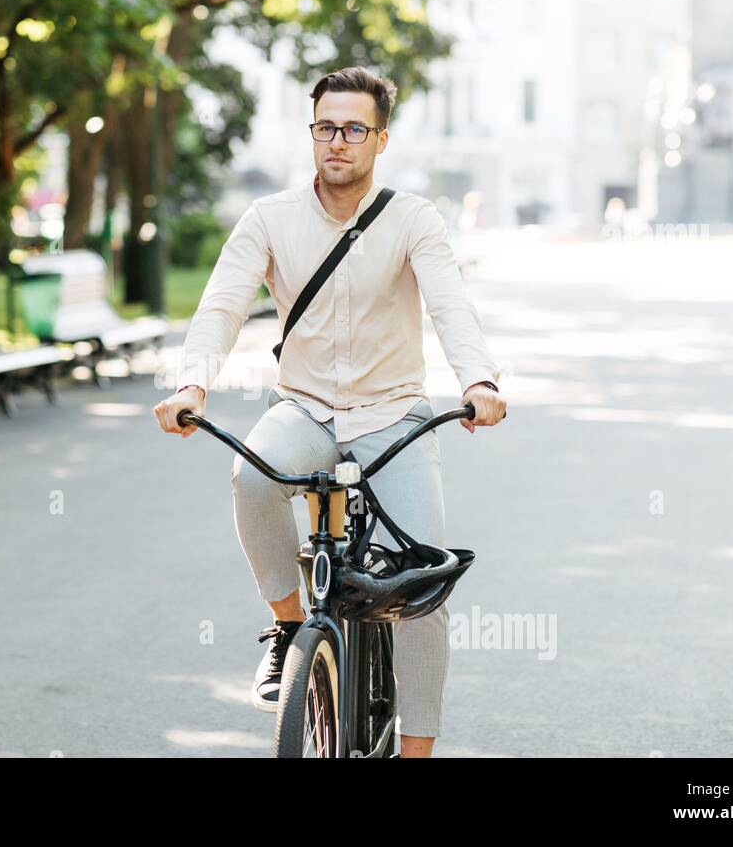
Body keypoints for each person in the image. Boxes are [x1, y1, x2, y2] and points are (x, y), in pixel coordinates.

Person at [152, 66, 507, 758]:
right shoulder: (269, 218)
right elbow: (221, 304)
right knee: (251, 479)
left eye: (353, 129)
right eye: (325, 127)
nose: (336, 141)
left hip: (394, 417)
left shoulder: (413, 219)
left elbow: (450, 305)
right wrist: (192, 384)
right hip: (306, 408)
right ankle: (289, 629)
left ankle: (416, 753)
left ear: (380, 140)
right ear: (311, 133)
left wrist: (479, 380)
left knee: (423, 588)